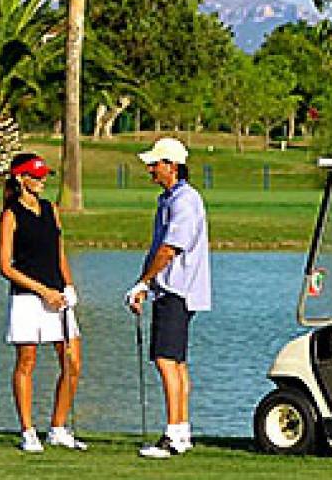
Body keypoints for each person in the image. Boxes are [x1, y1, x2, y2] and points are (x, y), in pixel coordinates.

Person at [124, 137, 210, 459]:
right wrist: (144, 285)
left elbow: (169, 250)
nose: (150, 169)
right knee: (176, 362)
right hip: (170, 289)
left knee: (166, 360)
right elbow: (158, 251)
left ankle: (173, 435)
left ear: (172, 166)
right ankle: (181, 431)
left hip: (177, 290)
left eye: (155, 164)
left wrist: (142, 282)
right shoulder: (169, 199)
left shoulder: (184, 201)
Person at [0, 152, 86, 453]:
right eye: (36, 176)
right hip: (27, 298)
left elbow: (59, 254)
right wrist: (42, 291)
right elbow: (5, 267)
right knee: (27, 362)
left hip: (58, 296)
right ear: (21, 178)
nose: (43, 180)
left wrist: (68, 286)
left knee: (72, 362)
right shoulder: (10, 215)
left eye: (44, 175)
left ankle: (57, 428)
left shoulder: (51, 209)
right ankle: (28, 431)